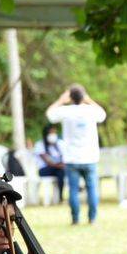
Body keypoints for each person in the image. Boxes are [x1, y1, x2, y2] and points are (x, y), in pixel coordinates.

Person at [45, 85, 105, 225]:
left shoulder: (66, 111)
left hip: (72, 158)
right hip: (90, 157)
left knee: (73, 189)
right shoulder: (91, 110)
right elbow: (103, 115)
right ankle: (92, 218)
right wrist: (89, 100)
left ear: (70, 97)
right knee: (92, 188)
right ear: (83, 96)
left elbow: (49, 114)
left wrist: (61, 100)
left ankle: (75, 219)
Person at [35, 124, 66, 202]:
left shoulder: (60, 144)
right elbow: (48, 162)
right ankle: (61, 197)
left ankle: (60, 196)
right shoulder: (40, 145)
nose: (53, 135)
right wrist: (62, 166)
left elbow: (65, 157)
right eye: (51, 133)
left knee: (61, 172)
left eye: (54, 133)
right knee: (61, 170)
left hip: (58, 169)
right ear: (46, 134)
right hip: (44, 170)